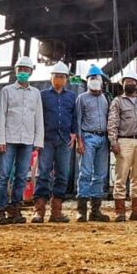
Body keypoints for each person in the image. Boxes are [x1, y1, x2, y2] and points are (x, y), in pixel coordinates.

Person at [0, 56, 44, 225]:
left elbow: (38, 118)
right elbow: (1, 115)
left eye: (26, 70)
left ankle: (15, 208)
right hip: (9, 139)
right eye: (20, 69)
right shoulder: (7, 91)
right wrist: (0, 140)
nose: (23, 72)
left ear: (31, 72)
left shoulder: (35, 93)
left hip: (27, 139)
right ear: (16, 71)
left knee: (21, 176)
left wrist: (38, 141)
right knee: (3, 176)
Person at [32, 62, 78, 224]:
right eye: (57, 76)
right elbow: (37, 117)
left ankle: (56, 211)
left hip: (64, 140)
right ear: (51, 77)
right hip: (46, 140)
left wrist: (73, 134)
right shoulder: (42, 95)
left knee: (62, 175)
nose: (60, 79)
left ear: (66, 79)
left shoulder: (71, 96)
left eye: (63, 77)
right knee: (43, 173)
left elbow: (74, 117)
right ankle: (39, 210)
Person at [107, 68, 137, 222]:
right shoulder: (117, 102)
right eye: (127, 82)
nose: (130, 84)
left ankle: (136, 210)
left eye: (132, 82)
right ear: (123, 84)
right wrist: (113, 141)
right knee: (121, 177)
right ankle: (120, 211)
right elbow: (113, 122)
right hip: (124, 141)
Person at [75, 65, 111, 222]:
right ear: (87, 80)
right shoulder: (81, 98)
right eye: (92, 78)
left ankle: (95, 210)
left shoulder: (105, 98)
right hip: (88, 138)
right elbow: (77, 121)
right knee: (85, 173)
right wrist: (79, 141)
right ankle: (81, 210)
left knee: (100, 174)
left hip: (103, 139)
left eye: (98, 78)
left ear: (102, 80)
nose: (95, 81)